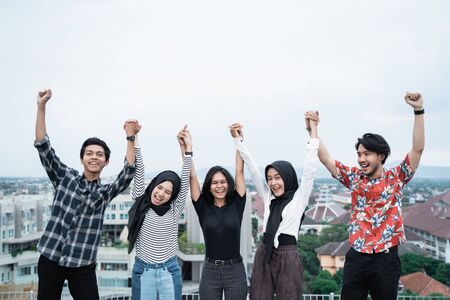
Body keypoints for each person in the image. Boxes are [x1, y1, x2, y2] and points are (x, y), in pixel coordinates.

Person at [306, 92, 425, 300]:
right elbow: (326, 159)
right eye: (359, 154)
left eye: (366, 154)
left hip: (386, 259)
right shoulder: (354, 177)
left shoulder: (396, 177)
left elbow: (418, 148)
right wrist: (313, 130)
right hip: (356, 257)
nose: (361, 159)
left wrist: (418, 110)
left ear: (381, 155)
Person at [34, 89, 138, 300]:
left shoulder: (104, 192)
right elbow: (44, 146)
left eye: (99, 155)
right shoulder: (64, 177)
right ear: (81, 158)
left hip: (82, 263)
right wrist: (41, 106)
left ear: (106, 161)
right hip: (51, 257)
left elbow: (128, 172)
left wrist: (131, 137)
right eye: (89, 153)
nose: (94, 157)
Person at [230, 119, 319, 300]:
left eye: (278, 177)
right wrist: (238, 140)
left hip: (288, 255)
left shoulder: (299, 197)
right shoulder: (268, 196)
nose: (273, 183)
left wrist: (313, 132)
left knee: (290, 297)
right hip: (264, 252)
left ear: (287, 177)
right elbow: (253, 168)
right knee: (259, 295)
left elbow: (309, 170)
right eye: (270, 178)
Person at [127, 125, 192, 300]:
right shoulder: (141, 201)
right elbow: (139, 170)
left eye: (168, 192)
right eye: (160, 187)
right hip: (143, 270)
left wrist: (188, 149)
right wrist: (135, 137)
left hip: (168, 270)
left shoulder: (174, 209)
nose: (161, 193)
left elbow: (185, 179)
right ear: (154, 185)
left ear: (172, 197)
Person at [189, 127, 247, 300]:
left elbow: (239, 170)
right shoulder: (202, 207)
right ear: (209, 185)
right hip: (210, 271)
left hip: (235, 270)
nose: (219, 186)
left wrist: (238, 141)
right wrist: (187, 148)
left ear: (229, 184)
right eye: (214, 182)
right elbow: (192, 177)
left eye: (223, 182)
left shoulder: (237, 203)